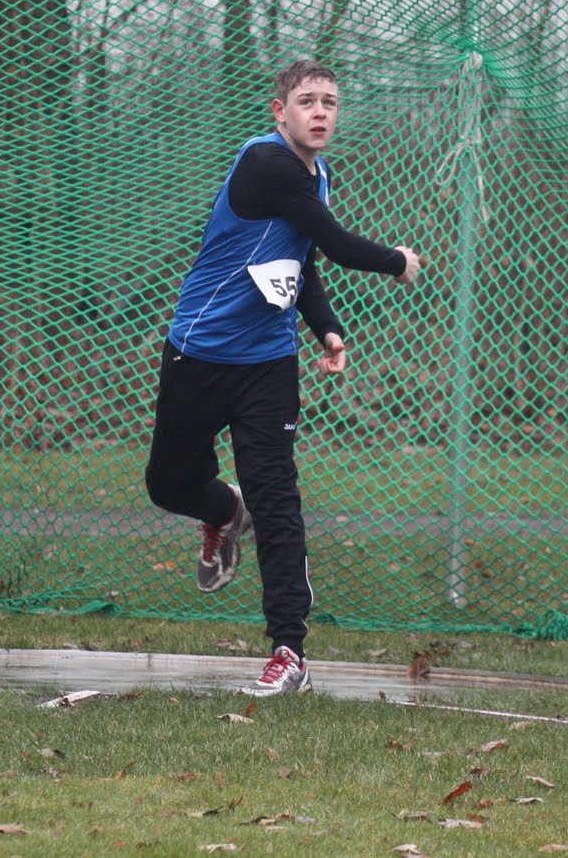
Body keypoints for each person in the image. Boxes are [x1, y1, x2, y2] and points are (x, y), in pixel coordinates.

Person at [145, 59, 421, 696]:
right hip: (200, 354)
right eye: (307, 101)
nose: (320, 112)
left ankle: (289, 651)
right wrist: (397, 261)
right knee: (168, 483)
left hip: (268, 365)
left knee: (278, 502)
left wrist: (326, 329)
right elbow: (338, 245)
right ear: (280, 112)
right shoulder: (265, 164)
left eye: (330, 102)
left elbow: (302, 259)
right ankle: (224, 509)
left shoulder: (317, 175)